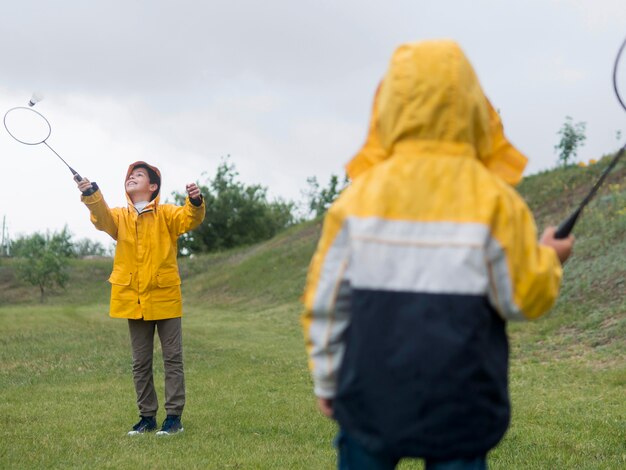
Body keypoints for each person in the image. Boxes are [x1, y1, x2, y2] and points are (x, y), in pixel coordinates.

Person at [301, 40, 575, 469]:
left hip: (368, 399)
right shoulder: (496, 201)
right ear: (471, 105)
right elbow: (522, 299)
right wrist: (549, 259)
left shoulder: (357, 201)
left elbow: (326, 303)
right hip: (461, 406)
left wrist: (327, 380)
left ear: (387, 106)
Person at [76, 161, 205, 436]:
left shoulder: (168, 214)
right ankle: (147, 418)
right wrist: (91, 194)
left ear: (153, 186)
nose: (132, 178)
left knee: (173, 359)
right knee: (140, 363)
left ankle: (173, 419)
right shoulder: (120, 217)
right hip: (134, 301)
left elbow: (189, 218)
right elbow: (102, 220)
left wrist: (194, 201)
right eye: (130, 175)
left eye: (139, 175)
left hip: (166, 297)